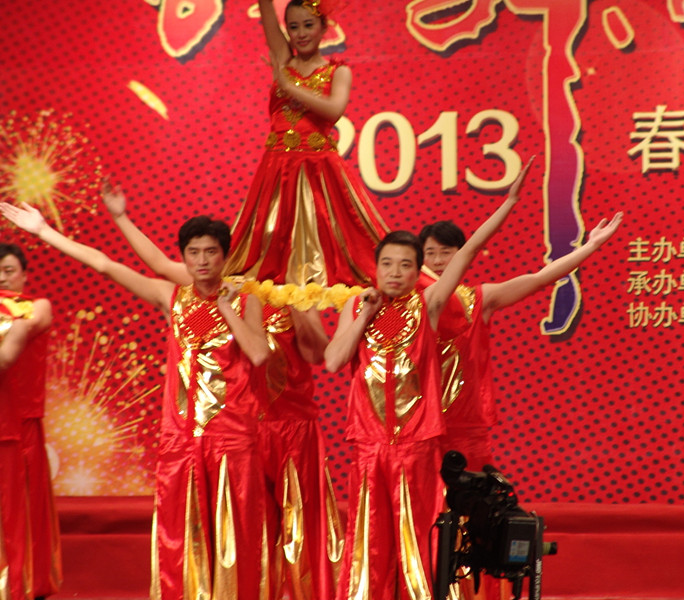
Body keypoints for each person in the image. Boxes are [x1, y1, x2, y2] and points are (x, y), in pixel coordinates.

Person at [0, 202, 271, 600]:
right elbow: (104, 264)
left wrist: (226, 306)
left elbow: (259, 354)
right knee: (182, 539)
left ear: (225, 256)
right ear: (184, 257)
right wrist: (44, 231)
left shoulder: (247, 302)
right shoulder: (170, 296)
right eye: (193, 252)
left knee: (236, 536)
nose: (201, 260)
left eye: (211, 252)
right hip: (181, 441)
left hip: (233, 439)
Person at [101, 184, 343, 600]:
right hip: (223, 429)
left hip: (284, 426)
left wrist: (297, 303)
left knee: (288, 525)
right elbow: (147, 264)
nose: (267, 251)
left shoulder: (283, 293)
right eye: (260, 242)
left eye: (276, 245)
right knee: (219, 528)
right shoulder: (215, 288)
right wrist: (118, 217)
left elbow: (312, 354)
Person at [323, 161, 533, 600]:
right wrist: (363, 316)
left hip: (417, 448)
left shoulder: (429, 306)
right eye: (386, 264)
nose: (394, 272)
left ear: (418, 271)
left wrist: (509, 203)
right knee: (370, 542)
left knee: (418, 540)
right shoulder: (357, 307)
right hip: (368, 449)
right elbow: (334, 360)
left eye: (405, 265)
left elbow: (470, 251)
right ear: (375, 268)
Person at [419, 211, 623, 471]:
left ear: (462, 255)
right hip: (418, 424)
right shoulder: (408, 307)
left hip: (466, 425)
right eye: (430, 253)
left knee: (472, 492)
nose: (437, 261)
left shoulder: (480, 300)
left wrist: (590, 246)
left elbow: (540, 279)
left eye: (446, 252)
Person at [224, 0, 390, 286]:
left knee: (336, 241)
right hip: (277, 167)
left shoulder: (338, 72)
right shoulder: (283, 58)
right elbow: (266, 12)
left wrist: (288, 86)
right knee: (270, 240)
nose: (301, 33)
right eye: (293, 27)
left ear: (324, 27)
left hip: (319, 168)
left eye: (308, 25)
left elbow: (333, 110)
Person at [0, 243, 60, 600]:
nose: (1, 278)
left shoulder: (36, 307)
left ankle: (20, 584)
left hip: (19, 424)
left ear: (23, 274)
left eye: (8, 270)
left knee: (19, 509)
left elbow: (26, 330)